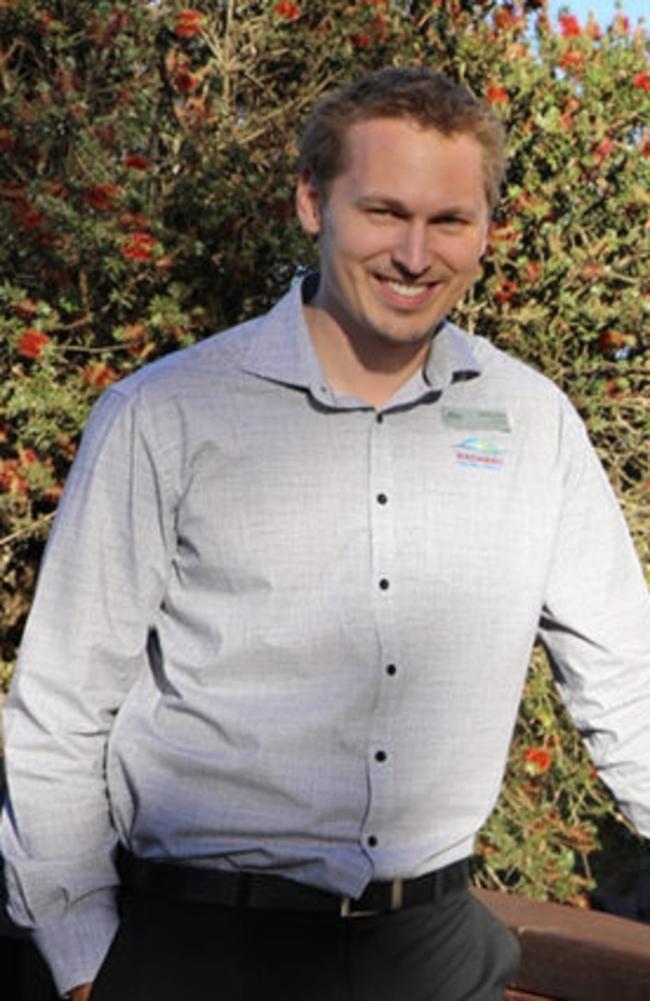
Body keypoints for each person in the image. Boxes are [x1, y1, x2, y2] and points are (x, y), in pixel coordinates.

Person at [2, 65, 649, 1001]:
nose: (415, 254)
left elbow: (629, 684)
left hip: (431, 957)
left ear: (487, 231)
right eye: (384, 211)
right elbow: (62, 705)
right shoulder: (166, 415)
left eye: (449, 221)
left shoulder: (535, 425)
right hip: (193, 952)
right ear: (313, 202)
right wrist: (83, 957)